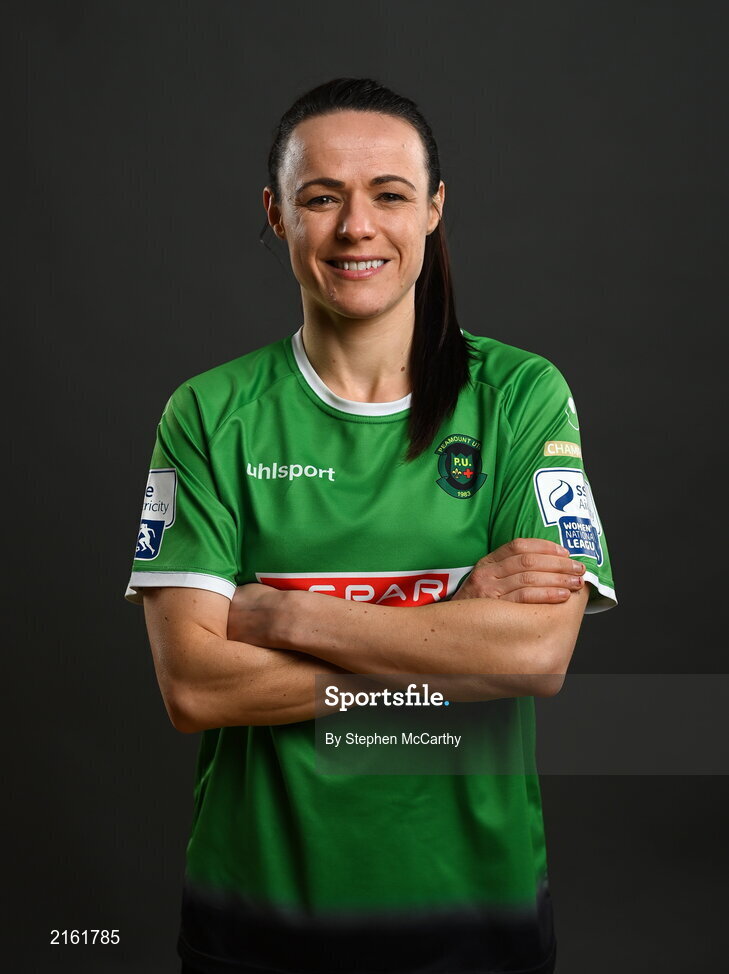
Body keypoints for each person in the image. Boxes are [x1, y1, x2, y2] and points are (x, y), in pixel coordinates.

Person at [125, 78, 616, 974]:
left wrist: (289, 615)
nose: (357, 227)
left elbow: (534, 658)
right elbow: (195, 688)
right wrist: (449, 635)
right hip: (255, 915)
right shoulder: (207, 414)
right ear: (276, 216)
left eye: (389, 194)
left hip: (474, 912)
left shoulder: (520, 396)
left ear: (432, 211)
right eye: (321, 197)